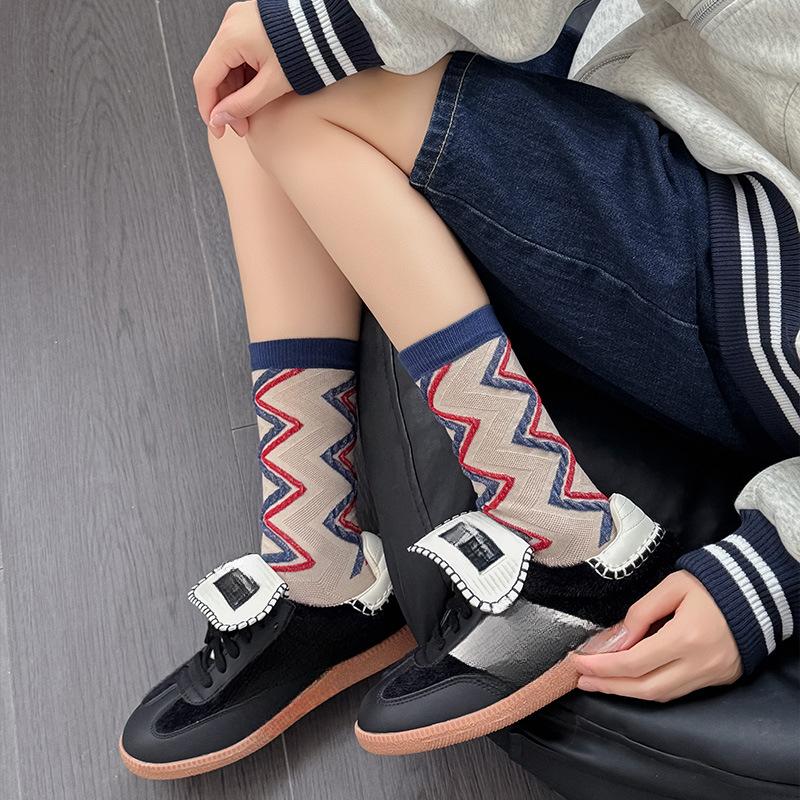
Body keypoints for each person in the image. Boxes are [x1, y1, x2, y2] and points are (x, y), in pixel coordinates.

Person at [119, 0, 800, 778]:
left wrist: (780, 565)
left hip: (763, 286)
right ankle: (316, 556)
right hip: (704, 133)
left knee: (292, 92)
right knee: (251, 89)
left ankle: (570, 538)